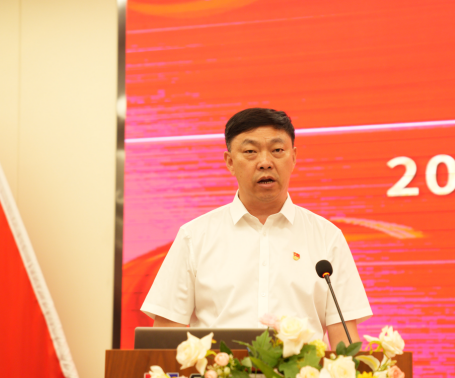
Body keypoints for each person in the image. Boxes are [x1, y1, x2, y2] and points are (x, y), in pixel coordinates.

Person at [140, 108, 372, 348]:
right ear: (230, 162)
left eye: (277, 150)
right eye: (250, 152)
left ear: (293, 157)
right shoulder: (194, 237)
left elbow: (345, 338)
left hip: (304, 373)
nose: (265, 163)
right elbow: (165, 336)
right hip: (218, 372)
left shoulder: (327, 237)